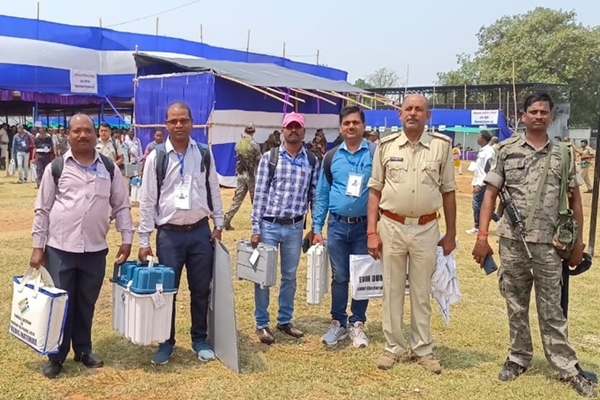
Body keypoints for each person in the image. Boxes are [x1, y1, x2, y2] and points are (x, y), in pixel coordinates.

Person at [472, 92, 596, 398]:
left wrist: (578, 243)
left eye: (544, 112)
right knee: (515, 305)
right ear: (523, 116)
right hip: (513, 244)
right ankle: (518, 357)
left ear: (550, 117)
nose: (538, 116)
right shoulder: (505, 150)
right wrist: (482, 236)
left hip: (550, 246)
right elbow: (489, 195)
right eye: (533, 111)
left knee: (551, 308)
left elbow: (575, 200)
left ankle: (565, 366)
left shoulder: (563, 154)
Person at [29, 114, 134, 379]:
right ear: (68, 135)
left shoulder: (109, 168)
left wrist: (127, 237)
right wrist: (37, 246)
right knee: (61, 303)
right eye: (77, 131)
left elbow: (121, 205)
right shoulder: (57, 167)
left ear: (96, 134)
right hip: (60, 249)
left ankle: (84, 349)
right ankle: (56, 355)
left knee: (87, 302)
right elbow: (42, 209)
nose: (83, 135)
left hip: (95, 250)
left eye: (88, 130)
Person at [367, 94, 457, 374]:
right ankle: (393, 347)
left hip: (427, 228)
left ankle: (423, 349)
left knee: (421, 292)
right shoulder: (385, 146)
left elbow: (449, 193)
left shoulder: (441, 147)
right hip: (391, 226)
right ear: (399, 114)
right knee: (392, 289)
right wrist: (371, 230)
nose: (413, 113)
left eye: (419, 109)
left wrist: (451, 233)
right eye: (408, 108)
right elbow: (374, 190)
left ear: (427, 116)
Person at [137, 101, 224, 365]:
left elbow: (214, 190)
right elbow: (147, 200)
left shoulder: (204, 153)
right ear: (166, 125)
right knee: (166, 292)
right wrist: (144, 239)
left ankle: (199, 339)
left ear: (192, 123)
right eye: (173, 121)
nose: (178, 125)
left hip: (200, 234)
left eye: (183, 120)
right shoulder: (156, 157)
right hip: (169, 237)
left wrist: (218, 224)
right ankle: (166, 341)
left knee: (200, 291)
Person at [250, 112, 318, 345]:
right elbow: (259, 195)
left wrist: (316, 227)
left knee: (289, 277)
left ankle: (284, 320)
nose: (293, 131)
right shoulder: (270, 158)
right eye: (289, 127)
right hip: (269, 225)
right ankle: (261, 324)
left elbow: (314, 197)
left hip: (294, 227)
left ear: (303, 131)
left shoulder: (311, 161)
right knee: (263, 277)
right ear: (282, 131)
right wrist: (255, 227)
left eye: (297, 127)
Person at [312, 106, 372, 348]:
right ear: (340, 127)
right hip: (336, 226)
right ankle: (338, 323)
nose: (351, 127)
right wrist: (317, 227)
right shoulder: (331, 157)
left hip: (364, 227)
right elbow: (322, 194)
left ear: (363, 126)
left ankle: (357, 324)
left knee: (362, 276)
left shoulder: (375, 155)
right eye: (346, 123)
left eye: (355, 122)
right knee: (340, 277)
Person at [223, 123, 261, 230]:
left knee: (237, 200)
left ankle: (226, 220)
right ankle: (257, 224)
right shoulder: (254, 144)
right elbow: (259, 159)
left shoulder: (238, 143)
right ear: (253, 131)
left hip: (240, 174)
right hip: (251, 176)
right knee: (256, 201)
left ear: (245, 131)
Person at [466, 131, 499, 234]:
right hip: (478, 181)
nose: (477, 138)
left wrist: (479, 184)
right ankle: (480, 225)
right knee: (479, 205)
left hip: (483, 182)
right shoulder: (483, 150)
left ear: (483, 139)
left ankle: (496, 220)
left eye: (479, 137)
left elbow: (488, 169)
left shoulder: (488, 151)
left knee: (478, 205)